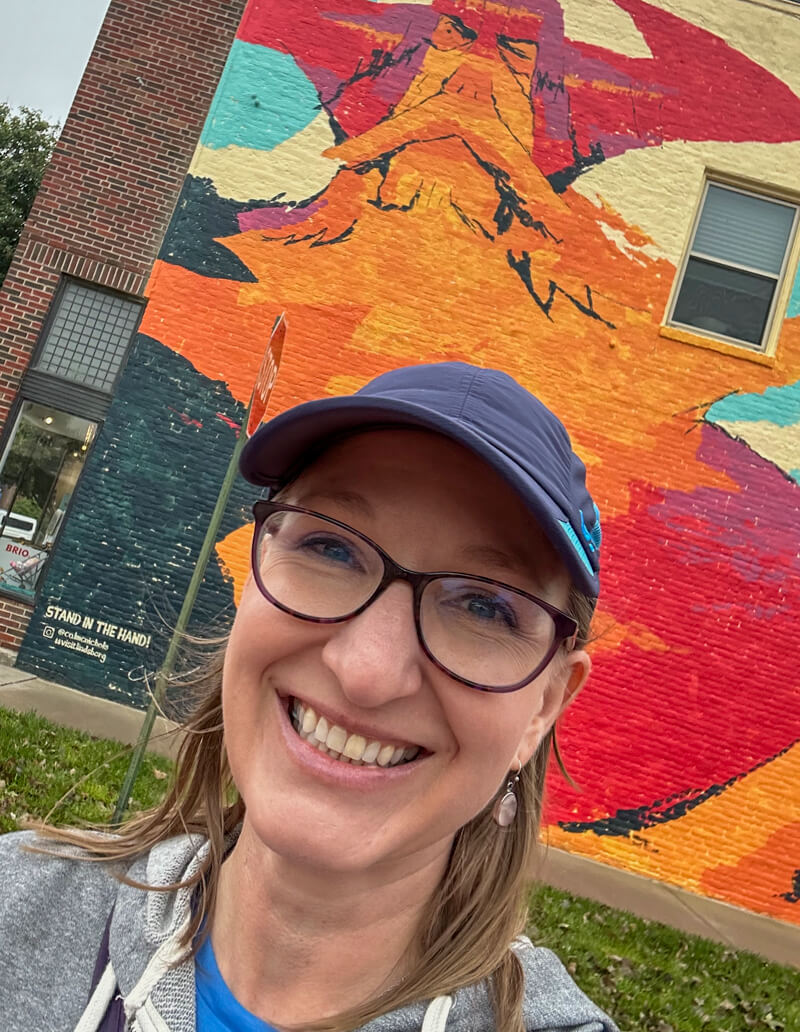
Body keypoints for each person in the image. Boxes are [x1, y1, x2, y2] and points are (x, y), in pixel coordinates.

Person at [0, 361, 616, 1032]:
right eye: (331, 548)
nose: (366, 671)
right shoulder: (19, 903)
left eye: (484, 607)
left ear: (546, 705)